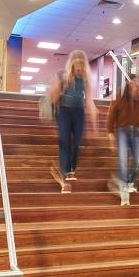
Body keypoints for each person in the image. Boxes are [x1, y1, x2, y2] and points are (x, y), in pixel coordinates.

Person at [48, 50, 97, 193]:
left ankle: (71, 169)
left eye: (82, 64)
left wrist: (94, 122)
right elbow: (55, 95)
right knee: (64, 140)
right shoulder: (63, 75)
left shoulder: (86, 78)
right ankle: (64, 172)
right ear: (72, 64)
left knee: (77, 142)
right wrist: (53, 113)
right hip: (63, 111)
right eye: (77, 64)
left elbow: (89, 100)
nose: (79, 67)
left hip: (78, 112)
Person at [107, 74, 139, 206]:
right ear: (128, 83)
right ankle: (124, 194)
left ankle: (129, 181)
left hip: (136, 131)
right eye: (134, 81)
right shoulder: (120, 98)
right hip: (122, 132)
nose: (137, 84)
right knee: (123, 161)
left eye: (138, 82)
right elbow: (112, 114)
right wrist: (110, 132)